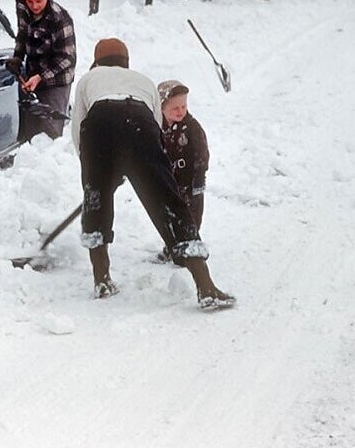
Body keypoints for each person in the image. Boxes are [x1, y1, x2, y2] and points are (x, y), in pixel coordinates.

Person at [70, 38, 235, 310]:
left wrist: (96, 174)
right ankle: (205, 285)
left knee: (96, 203)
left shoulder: (89, 79)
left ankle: (102, 279)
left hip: (98, 127)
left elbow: (79, 129)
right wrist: (145, 169)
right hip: (140, 125)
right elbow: (156, 128)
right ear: (127, 63)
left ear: (97, 61)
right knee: (170, 203)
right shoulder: (143, 81)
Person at [5, 0, 77, 140]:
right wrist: (17, 57)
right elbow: (23, 34)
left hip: (57, 79)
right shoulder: (24, 8)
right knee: (30, 128)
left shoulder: (60, 18)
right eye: (30, 1)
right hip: (33, 76)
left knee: (49, 129)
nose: (34, 6)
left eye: (39, 1)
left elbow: (67, 58)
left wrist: (41, 77)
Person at [153, 79, 210, 263]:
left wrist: (199, 178)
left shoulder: (192, 127)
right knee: (169, 216)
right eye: (175, 108)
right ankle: (171, 246)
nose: (180, 111)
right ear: (161, 107)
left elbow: (202, 153)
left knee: (192, 217)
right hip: (168, 183)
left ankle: (190, 248)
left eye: (183, 106)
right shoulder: (156, 127)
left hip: (190, 183)